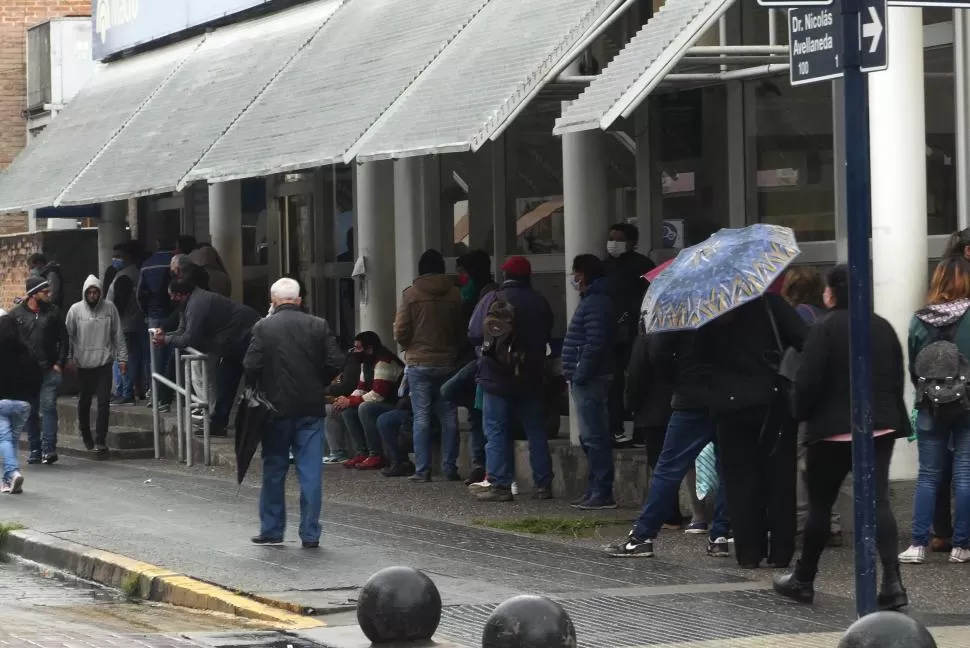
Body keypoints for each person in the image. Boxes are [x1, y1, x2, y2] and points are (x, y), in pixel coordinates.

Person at [774, 265, 909, 609]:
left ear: (831, 293)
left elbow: (808, 381)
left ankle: (804, 577)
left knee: (821, 505)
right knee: (878, 501)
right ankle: (892, 581)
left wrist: (799, 410)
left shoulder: (824, 329)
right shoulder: (882, 326)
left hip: (831, 430)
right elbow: (896, 375)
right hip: (879, 426)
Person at [697, 291, 806, 568]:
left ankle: (748, 552)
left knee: (739, 481)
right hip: (771, 400)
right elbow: (804, 339)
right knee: (780, 478)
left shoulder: (709, 308)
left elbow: (695, 357)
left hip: (728, 404)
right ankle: (781, 551)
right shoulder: (769, 302)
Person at [605, 331, 732, 559]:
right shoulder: (730, 314)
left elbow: (658, 352)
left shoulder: (680, 316)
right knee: (728, 469)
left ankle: (642, 536)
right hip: (728, 397)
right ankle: (720, 535)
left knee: (668, 468)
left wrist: (677, 378)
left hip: (691, 397)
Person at [243, 278, 338, 548]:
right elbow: (335, 360)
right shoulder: (318, 325)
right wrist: (317, 382)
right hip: (310, 407)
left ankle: (272, 530)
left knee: (274, 469)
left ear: (273, 301)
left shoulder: (263, 327)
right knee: (311, 472)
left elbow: (250, 364)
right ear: (299, 300)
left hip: (275, 409)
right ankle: (310, 533)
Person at [899, 256, 970, 565]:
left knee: (928, 475)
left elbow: (915, 367)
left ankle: (918, 544)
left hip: (931, 405)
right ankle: (962, 546)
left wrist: (928, 392)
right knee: (965, 474)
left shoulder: (920, 319)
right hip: (968, 404)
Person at [468, 256, 554, 502]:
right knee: (536, 430)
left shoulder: (492, 298)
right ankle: (543, 484)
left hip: (496, 374)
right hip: (530, 375)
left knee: (496, 430)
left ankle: (500, 484)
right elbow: (547, 332)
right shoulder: (540, 301)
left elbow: (474, 332)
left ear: (505, 276)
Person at [154, 278, 261, 437]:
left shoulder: (197, 304)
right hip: (234, 341)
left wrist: (166, 340)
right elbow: (183, 330)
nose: (171, 299)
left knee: (250, 383)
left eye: (173, 295)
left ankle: (248, 424)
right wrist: (166, 334)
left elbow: (189, 338)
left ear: (182, 295)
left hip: (245, 338)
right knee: (225, 383)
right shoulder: (189, 303)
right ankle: (218, 424)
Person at [781, 265, 841, 546]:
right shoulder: (827, 316)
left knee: (800, 460)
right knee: (827, 461)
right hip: (831, 398)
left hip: (802, 395)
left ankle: (804, 520)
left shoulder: (795, 318)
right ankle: (832, 521)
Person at [394, 249, 464, 482]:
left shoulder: (411, 294)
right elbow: (460, 328)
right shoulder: (455, 294)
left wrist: (409, 346)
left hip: (419, 362)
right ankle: (450, 467)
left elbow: (401, 329)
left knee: (421, 416)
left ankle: (422, 470)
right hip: (448, 361)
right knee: (449, 415)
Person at [562, 254, 617, 509]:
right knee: (589, 437)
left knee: (594, 436)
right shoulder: (593, 300)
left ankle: (602, 491)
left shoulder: (596, 302)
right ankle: (595, 488)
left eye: (575, 273)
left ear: (583, 274)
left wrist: (580, 373)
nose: (573, 278)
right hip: (588, 377)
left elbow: (595, 343)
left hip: (592, 378)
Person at [603, 223, 655, 448]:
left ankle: (641, 431)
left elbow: (650, 295)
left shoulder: (643, 266)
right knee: (613, 383)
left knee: (639, 381)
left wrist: (631, 314)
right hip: (611, 334)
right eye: (611, 238)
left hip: (637, 332)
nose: (613, 243)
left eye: (619, 239)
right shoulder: (605, 266)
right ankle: (615, 428)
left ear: (632, 242)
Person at [65, 275, 128, 455]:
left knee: (103, 403)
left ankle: (101, 439)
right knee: (84, 401)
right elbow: (68, 336)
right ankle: (86, 432)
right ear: (85, 293)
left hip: (103, 362)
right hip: (83, 364)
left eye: (96, 292)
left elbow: (118, 334)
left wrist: (122, 358)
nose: (93, 295)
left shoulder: (110, 309)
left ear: (100, 293)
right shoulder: (75, 310)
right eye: (90, 292)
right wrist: (68, 358)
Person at [10, 276, 69, 465]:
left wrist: (60, 362)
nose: (48, 294)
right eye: (44, 291)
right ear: (33, 294)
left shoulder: (53, 312)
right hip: (27, 373)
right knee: (30, 410)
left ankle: (49, 449)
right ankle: (35, 449)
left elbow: (64, 339)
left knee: (49, 407)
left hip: (49, 369)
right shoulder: (16, 315)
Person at [334, 331, 404, 469]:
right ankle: (362, 452)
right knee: (348, 410)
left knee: (365, 408)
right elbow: (361, 388)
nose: (354, 351)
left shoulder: (384, 361)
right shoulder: (366, 363)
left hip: (395, 404)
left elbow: (378, 394)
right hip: (382, 402)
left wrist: (351, 401)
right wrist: (346, 401)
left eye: (358, 348)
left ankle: (376, 455)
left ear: (369, 349)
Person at [0, 315, 42, 494]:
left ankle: (13, 472)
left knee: (4, 439)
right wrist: (31, 398)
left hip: (2, 402)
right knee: (12, 441)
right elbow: (38, 377)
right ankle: (6, 481)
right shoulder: (27, 351)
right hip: (23, 403)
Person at [138, 239, 176, 411]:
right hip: (175, 315)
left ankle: (156, 396)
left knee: (156, 359)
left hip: (154, 316)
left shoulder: (147, 265)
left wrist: (147, 312)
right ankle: (171, 395)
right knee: (175, 357)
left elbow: (140, 294)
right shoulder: (175, 262)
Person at [107, 243, 146, 404]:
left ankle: (124, 391)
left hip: (124, 324)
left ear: (128, 257)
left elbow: (119, 303)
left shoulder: (125, 276)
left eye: (118, 256)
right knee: (133, 357)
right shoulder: (136, 273)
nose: (114, 260)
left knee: (123, 358)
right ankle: (131, 390)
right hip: (135, 323)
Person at [322, 348, 363, 464]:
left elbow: (347, 386)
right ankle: (337, 452)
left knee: (332, 409)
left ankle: (340, 453)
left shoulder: (353, 361)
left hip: (360, 400)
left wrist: (348, 400)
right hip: (350, 398)